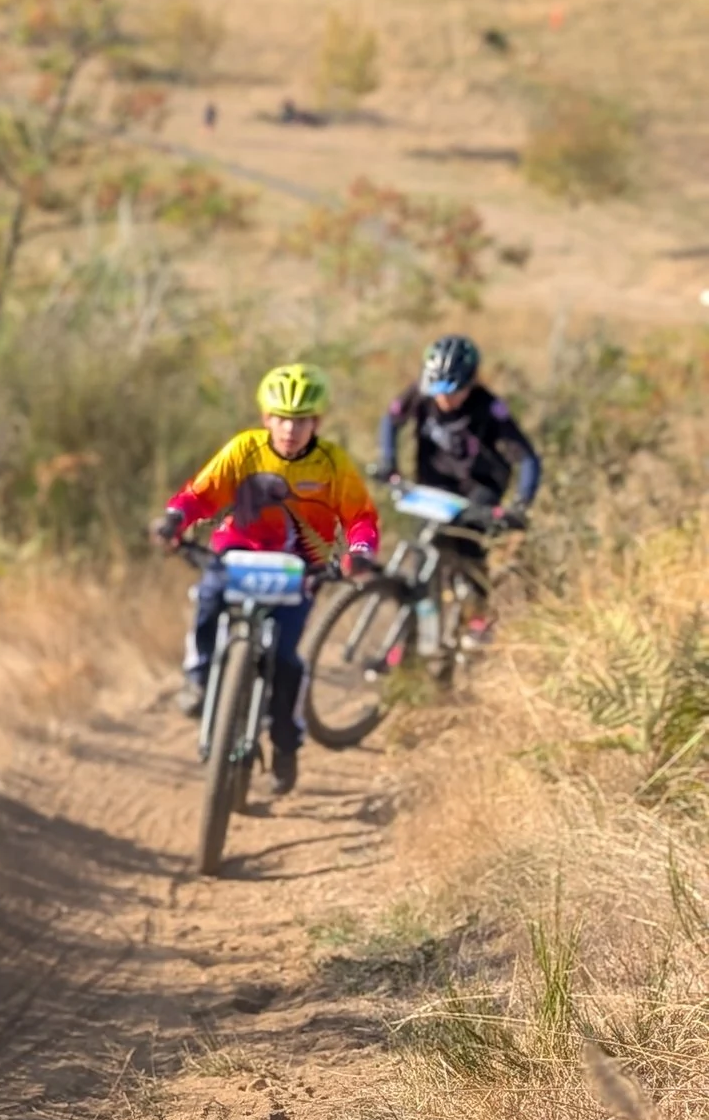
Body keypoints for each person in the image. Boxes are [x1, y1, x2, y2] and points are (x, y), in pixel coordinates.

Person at [152, 363, 380, 799]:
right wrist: (174, 519)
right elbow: (201, 494)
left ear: (317, 422)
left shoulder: (332, 464)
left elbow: (360, 518)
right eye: (281, 418)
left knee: (287, 660)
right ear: (266, 418)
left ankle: (286, 743)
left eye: (301, 420)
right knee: (208, 595)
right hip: (238, 554)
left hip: (300, 569)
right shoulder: (244, 450)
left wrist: (359, 554)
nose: (290, 429)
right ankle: (198, 676)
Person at [373, 334, 540, 640]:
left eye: (453, 393)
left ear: (470, 384)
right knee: (421, 561)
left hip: (476, 490)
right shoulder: (421, 393)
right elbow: (391, 420)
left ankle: (477, 618)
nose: (444, 400)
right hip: (433, 489)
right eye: (437, 392)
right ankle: (413, 642)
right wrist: (388, 461)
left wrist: (520, 505)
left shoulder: (489, 408)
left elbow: (528, 458)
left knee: (469, 548)